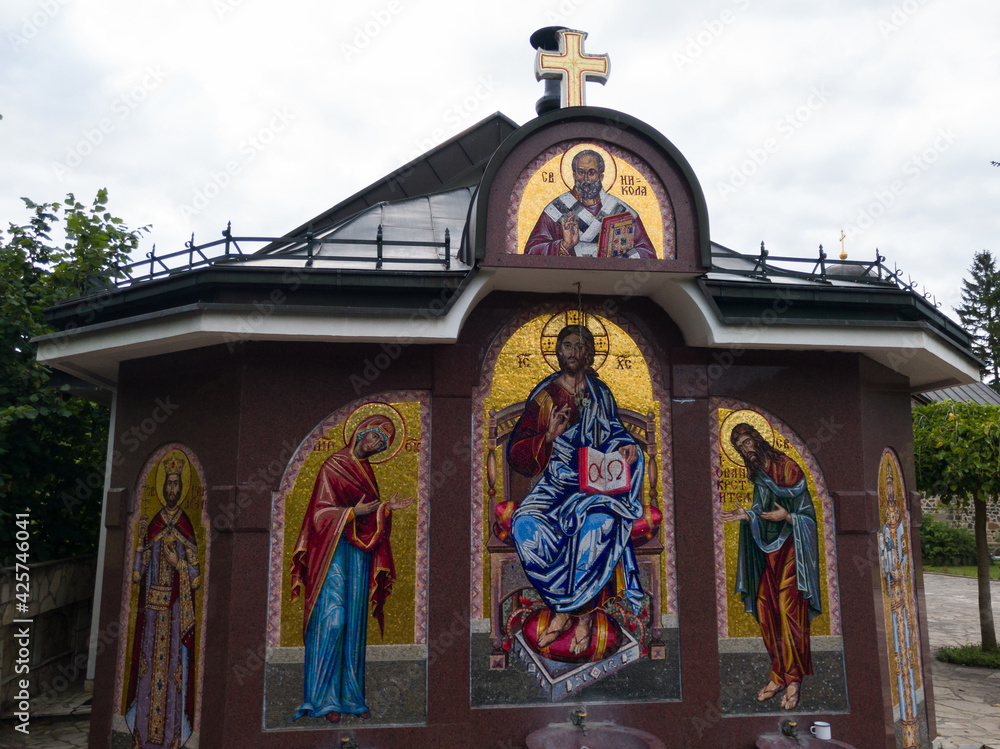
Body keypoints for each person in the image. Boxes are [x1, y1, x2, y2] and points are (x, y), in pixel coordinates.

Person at [507, 324, 645, 657]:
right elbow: (517, 453)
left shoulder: (600, 393)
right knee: (525, 526)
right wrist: (549, 437)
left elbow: (616, 434)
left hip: (596, 485)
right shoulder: (545, 396)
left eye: (580, 346)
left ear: (590, 353)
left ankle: (575, 616)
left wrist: (627, 448)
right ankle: (565, 607)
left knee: (597, 526)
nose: (573, 352)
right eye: (567, 346)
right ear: (557, 352)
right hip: (556, 486)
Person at [290, 414, 413, 723]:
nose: (375, 445)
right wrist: (349, 513)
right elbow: (317, 517)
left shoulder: (367, 474)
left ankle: (350, 697)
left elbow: (370, 514)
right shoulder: (332, 466)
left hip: (358, 556)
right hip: (330, 554)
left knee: (355, 625)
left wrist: (385, 509)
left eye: (382, 444)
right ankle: (321, 698)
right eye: (374, 438)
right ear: (360, 432)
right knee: (333, 620)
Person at [721, 422, 821, 711]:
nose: (745, 449)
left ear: (758, 439)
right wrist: (747, 516)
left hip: (793, 549)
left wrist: (788, 516)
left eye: (747, 442)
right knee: (766, 608)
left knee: (789, 609)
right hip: (770, 555)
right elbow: (762, 513)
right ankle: (779, 673)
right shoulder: (759, 476)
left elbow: (807, 515)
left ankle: (794, 680)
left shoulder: (786, 467)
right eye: (740, 447)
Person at [125, 450, 200, 749]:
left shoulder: (186, 527)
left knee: (173, 678)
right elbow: (136, 576)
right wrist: (142, 543)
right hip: (152, 615)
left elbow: (196, 578)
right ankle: (142, 737)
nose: (170, 490)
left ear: (182, 489)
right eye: (167, 485)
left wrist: (177, 563)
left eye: (175, 485)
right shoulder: (154, 523)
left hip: (174, 613)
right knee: (147, 674)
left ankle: (173, 736)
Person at [524, 149, 656, 259]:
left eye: (591, 173)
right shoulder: (557, 209)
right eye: (581, 172)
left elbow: (648, 254)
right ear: (574, 175)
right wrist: (565, 245)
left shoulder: (621, 211)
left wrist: (618, 257)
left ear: (601, 177)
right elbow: (531, 251)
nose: (586, 179)